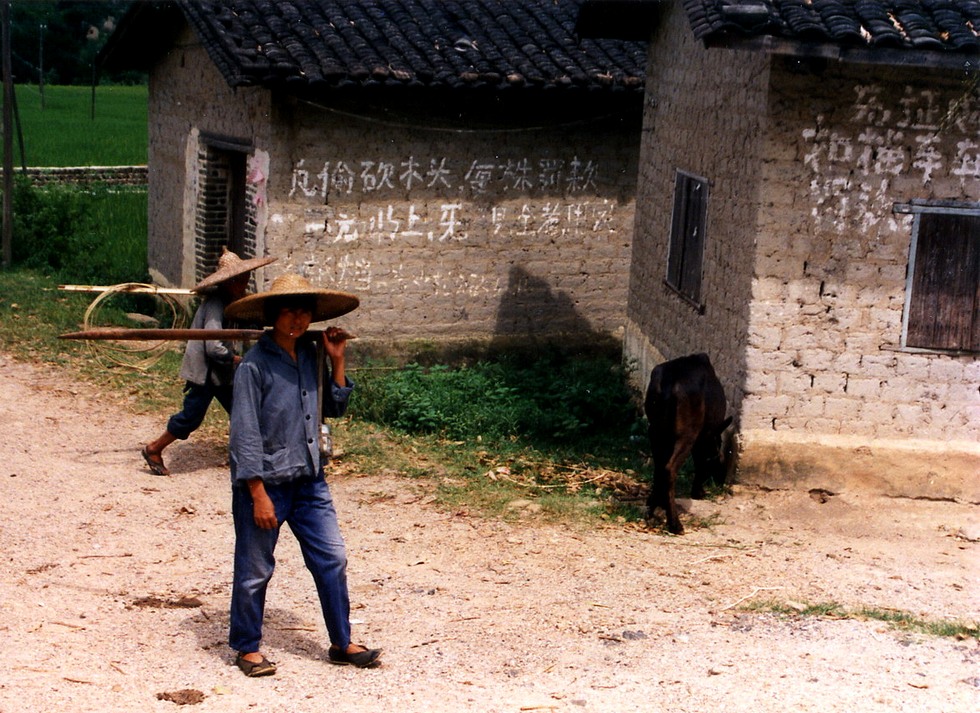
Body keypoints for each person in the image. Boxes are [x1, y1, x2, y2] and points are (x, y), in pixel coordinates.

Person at [222, 273, 380, 677]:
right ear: (273, 315)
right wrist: (257, 492)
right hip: (267, 483)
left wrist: (338, 358)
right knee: (256, 568)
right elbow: (245, 435)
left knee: (332, 557)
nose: (296, 319)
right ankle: (246, 647)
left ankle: (342, 642)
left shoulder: (312, 356)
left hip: (310, 481)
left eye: (303, 311)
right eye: (288, 310)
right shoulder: (253, 367)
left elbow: (336, 407)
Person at [140, 248, 276, 476]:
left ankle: (253, 458)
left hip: (223, 374)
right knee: (191, 417)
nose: (245, 282)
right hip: (206, 373)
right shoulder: (215, 304)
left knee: (245, 411)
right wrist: (235, 359)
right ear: (229, 281)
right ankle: (154, 448)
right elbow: (213, 347)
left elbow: (249, 326)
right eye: (241, 279)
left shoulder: (235, 301)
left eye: (246, 278)